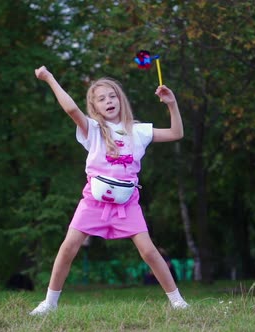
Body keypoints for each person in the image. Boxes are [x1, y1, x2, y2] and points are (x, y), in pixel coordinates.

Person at [30, 65, 189, 316]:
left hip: (128, 203)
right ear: (94, 107)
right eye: (101, 99)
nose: (109, 101)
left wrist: (171, 104)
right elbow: (71, 108)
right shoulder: (91, 129)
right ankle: (49, 303)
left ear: (121, 100)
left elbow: (176, 133)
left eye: (112, 96)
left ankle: (178, 302)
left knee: (148, 251)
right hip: (93, 201)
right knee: (68, 247)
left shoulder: (139, 131)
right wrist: (49, 78)